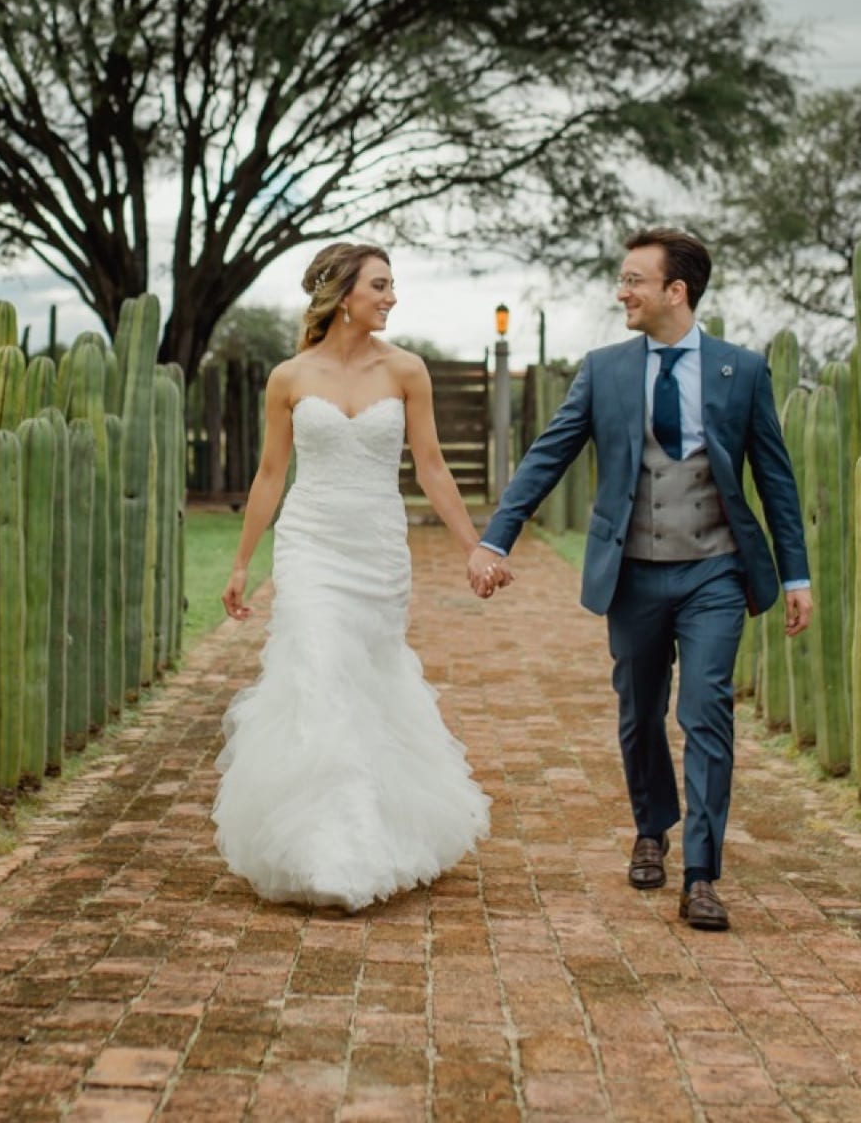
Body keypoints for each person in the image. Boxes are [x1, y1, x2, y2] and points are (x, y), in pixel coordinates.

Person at [468, 228, 811, 931]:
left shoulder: (740, 371)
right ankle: (650, 828)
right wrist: (496, 536)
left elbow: (774, 477)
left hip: (715, 570)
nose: (621, 293)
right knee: (641, 712)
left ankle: (702, 873)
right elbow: (548, 455)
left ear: (674, 291)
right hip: (632, 575)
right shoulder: (605, 370)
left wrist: (796, 573)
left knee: (706, 711)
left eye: (633, 280)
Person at [212, 241, 492, 911]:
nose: (392, 297)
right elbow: (272, 474)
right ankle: (326, 850)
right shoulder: (288, 377)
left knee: (368, 677)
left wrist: (473, 546)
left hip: (376, 547)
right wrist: (244, 562)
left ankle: (382, 831)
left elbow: (430, 465)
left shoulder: (407, 371)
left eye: (392, 286)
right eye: (381, 285)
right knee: (318, 673)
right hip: (310, 544)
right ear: (342, 294)